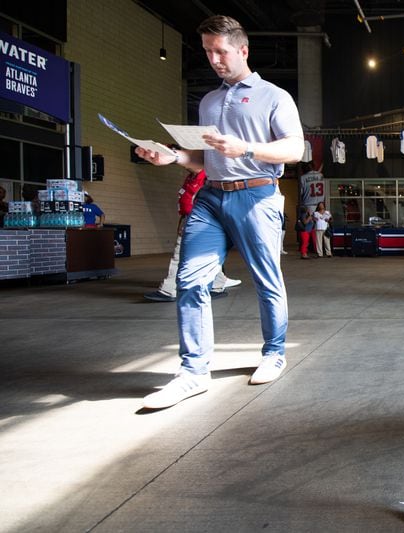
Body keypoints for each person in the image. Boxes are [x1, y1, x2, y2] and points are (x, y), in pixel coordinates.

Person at [134, 15, 304, 409]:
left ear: (242, 50)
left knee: (267, 281)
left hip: (257, 197)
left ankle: (274, 353)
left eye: (221, 51)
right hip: (210, 197)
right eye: (208, 51)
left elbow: (294, 150)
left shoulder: (274, 96)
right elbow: (203, 157)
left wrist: (243, 148)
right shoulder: (208, 101)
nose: (214, 59)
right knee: (189, 280)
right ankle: (193, 373)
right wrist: (172, 156)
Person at [144, 170, 241, 302]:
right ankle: (218, 284)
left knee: (180, 255)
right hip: (189, 218)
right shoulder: (191, 177)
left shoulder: (207, 177)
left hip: (200, 220)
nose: (182, 165)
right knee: (206, 255)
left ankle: (168, 290)